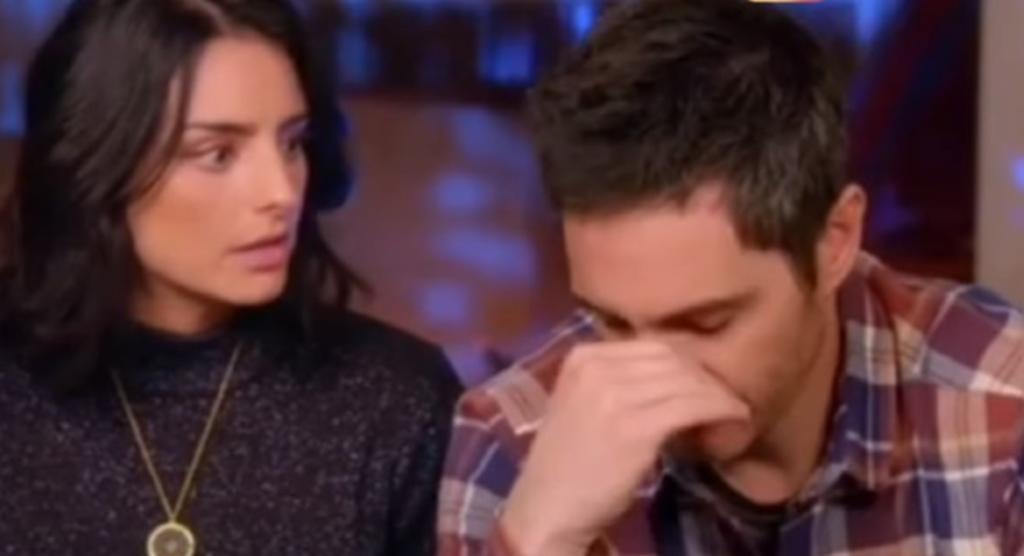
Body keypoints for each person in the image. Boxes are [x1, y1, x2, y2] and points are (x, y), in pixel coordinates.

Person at [437, 0, 1024, 554]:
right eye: (610, 321)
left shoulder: (1004, 409)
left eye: (705, 323)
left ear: (834, 241)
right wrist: (541, 539)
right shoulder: (511, 440)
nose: (652, 375)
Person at [0, 1, 461, 554]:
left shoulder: (395, 400)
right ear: (97, 166)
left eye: (292, 143)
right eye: (218, 154)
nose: (281, 193)